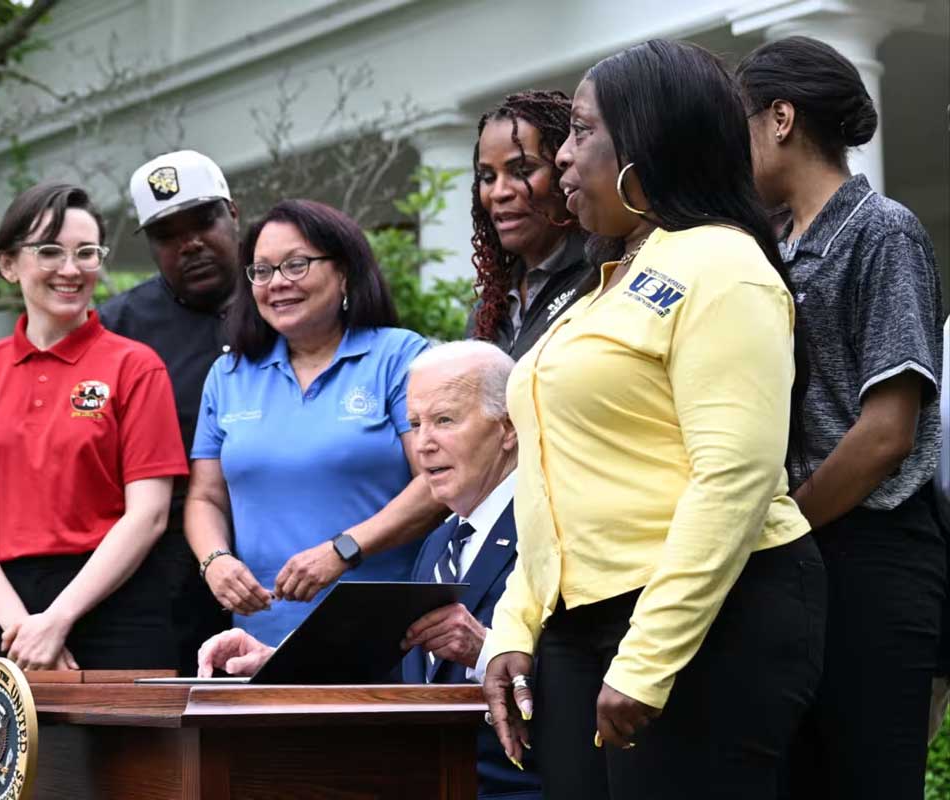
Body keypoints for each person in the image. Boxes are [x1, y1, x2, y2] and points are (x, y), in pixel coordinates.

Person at [481, 40, 826, 800]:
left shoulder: (723, 265)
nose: (562, 158)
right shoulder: (602, 284)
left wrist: (646, 659)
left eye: (579, 131)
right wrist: (516, 624)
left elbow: (732, 476)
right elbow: (548, 480)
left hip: (708, 618)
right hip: (579, 628)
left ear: (647, 139)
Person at [738, 36, 946, 800]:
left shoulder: (882, 230)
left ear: (781, 118)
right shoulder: (774, 247)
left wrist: (780, 529)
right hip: (803, 556)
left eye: (740, 127)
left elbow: (888, 432)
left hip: (872, 557)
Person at [198, 340, 540, 799]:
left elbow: (588, 675)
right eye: (415, 424)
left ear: (508, 429)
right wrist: (276, 661)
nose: (424, 444)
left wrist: (486, 651)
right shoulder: (440, 540)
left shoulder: (548, 525)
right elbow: (400, 681)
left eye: (445, 420)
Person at [0, 182, 188, 670]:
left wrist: (58, 619)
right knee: (7, 751)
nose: (70, 269)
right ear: (8, 263)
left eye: (86, 253)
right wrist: (21, 627)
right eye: (49, 251)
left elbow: (149, 514)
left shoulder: (136, 366)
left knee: (124, 750)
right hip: (2, 614)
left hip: (115, 606)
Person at [185, 199, 442, 646]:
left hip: (385, 634)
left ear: (343, 272)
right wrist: (216, 561)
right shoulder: (228, 375)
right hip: (258, 638)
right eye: (261, 271)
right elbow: (205, 496)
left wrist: (343, 550)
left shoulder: (400, 357)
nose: (277, 283)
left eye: (296, 265)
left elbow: (437, 482)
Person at [99, 150, 238, 674]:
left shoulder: (285, 298)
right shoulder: (117, 329)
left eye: (203, 222)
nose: (191, 244)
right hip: (165, 575)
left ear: (234, 215)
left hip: (286, 551)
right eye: (168, 235)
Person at [467, 90, 597, 359]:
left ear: (565, 171)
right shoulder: (488, 311)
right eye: (488, 177)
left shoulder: (604, 278)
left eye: (522, 172)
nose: (499, 192)